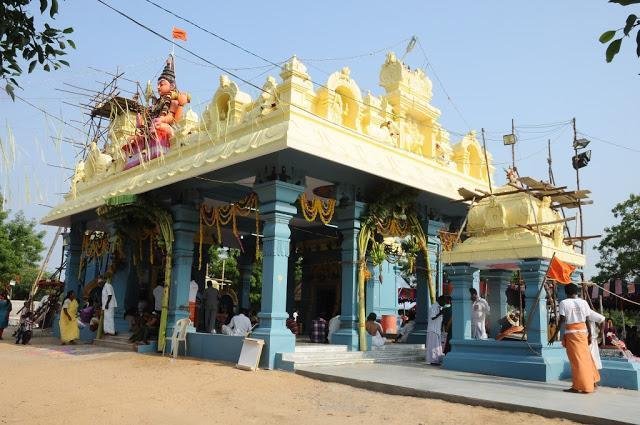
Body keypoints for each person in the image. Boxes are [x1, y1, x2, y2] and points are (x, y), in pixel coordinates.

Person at [548, 283, 600, 393]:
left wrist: (553, 336)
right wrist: (590, 334)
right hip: (583, 333)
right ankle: (592, 381)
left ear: (566, 292)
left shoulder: (564, 302)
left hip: (572, 334)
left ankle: (581, 386)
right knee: (585, 358)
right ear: (577, 292)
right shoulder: (584, 302)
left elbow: (562, 320)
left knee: (576, 361)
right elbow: (587, 319)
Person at [426, 296, 446, 364]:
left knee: (437, 347)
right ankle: (433, 361)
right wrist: (440, 313)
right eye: (444, 302)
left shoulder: (439, 307)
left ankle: (437, 360)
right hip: (433, 330)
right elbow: (432, 317)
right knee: (433, 347)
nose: (445, 303)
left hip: (437, 330)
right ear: (440, 300)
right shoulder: (433, 307)